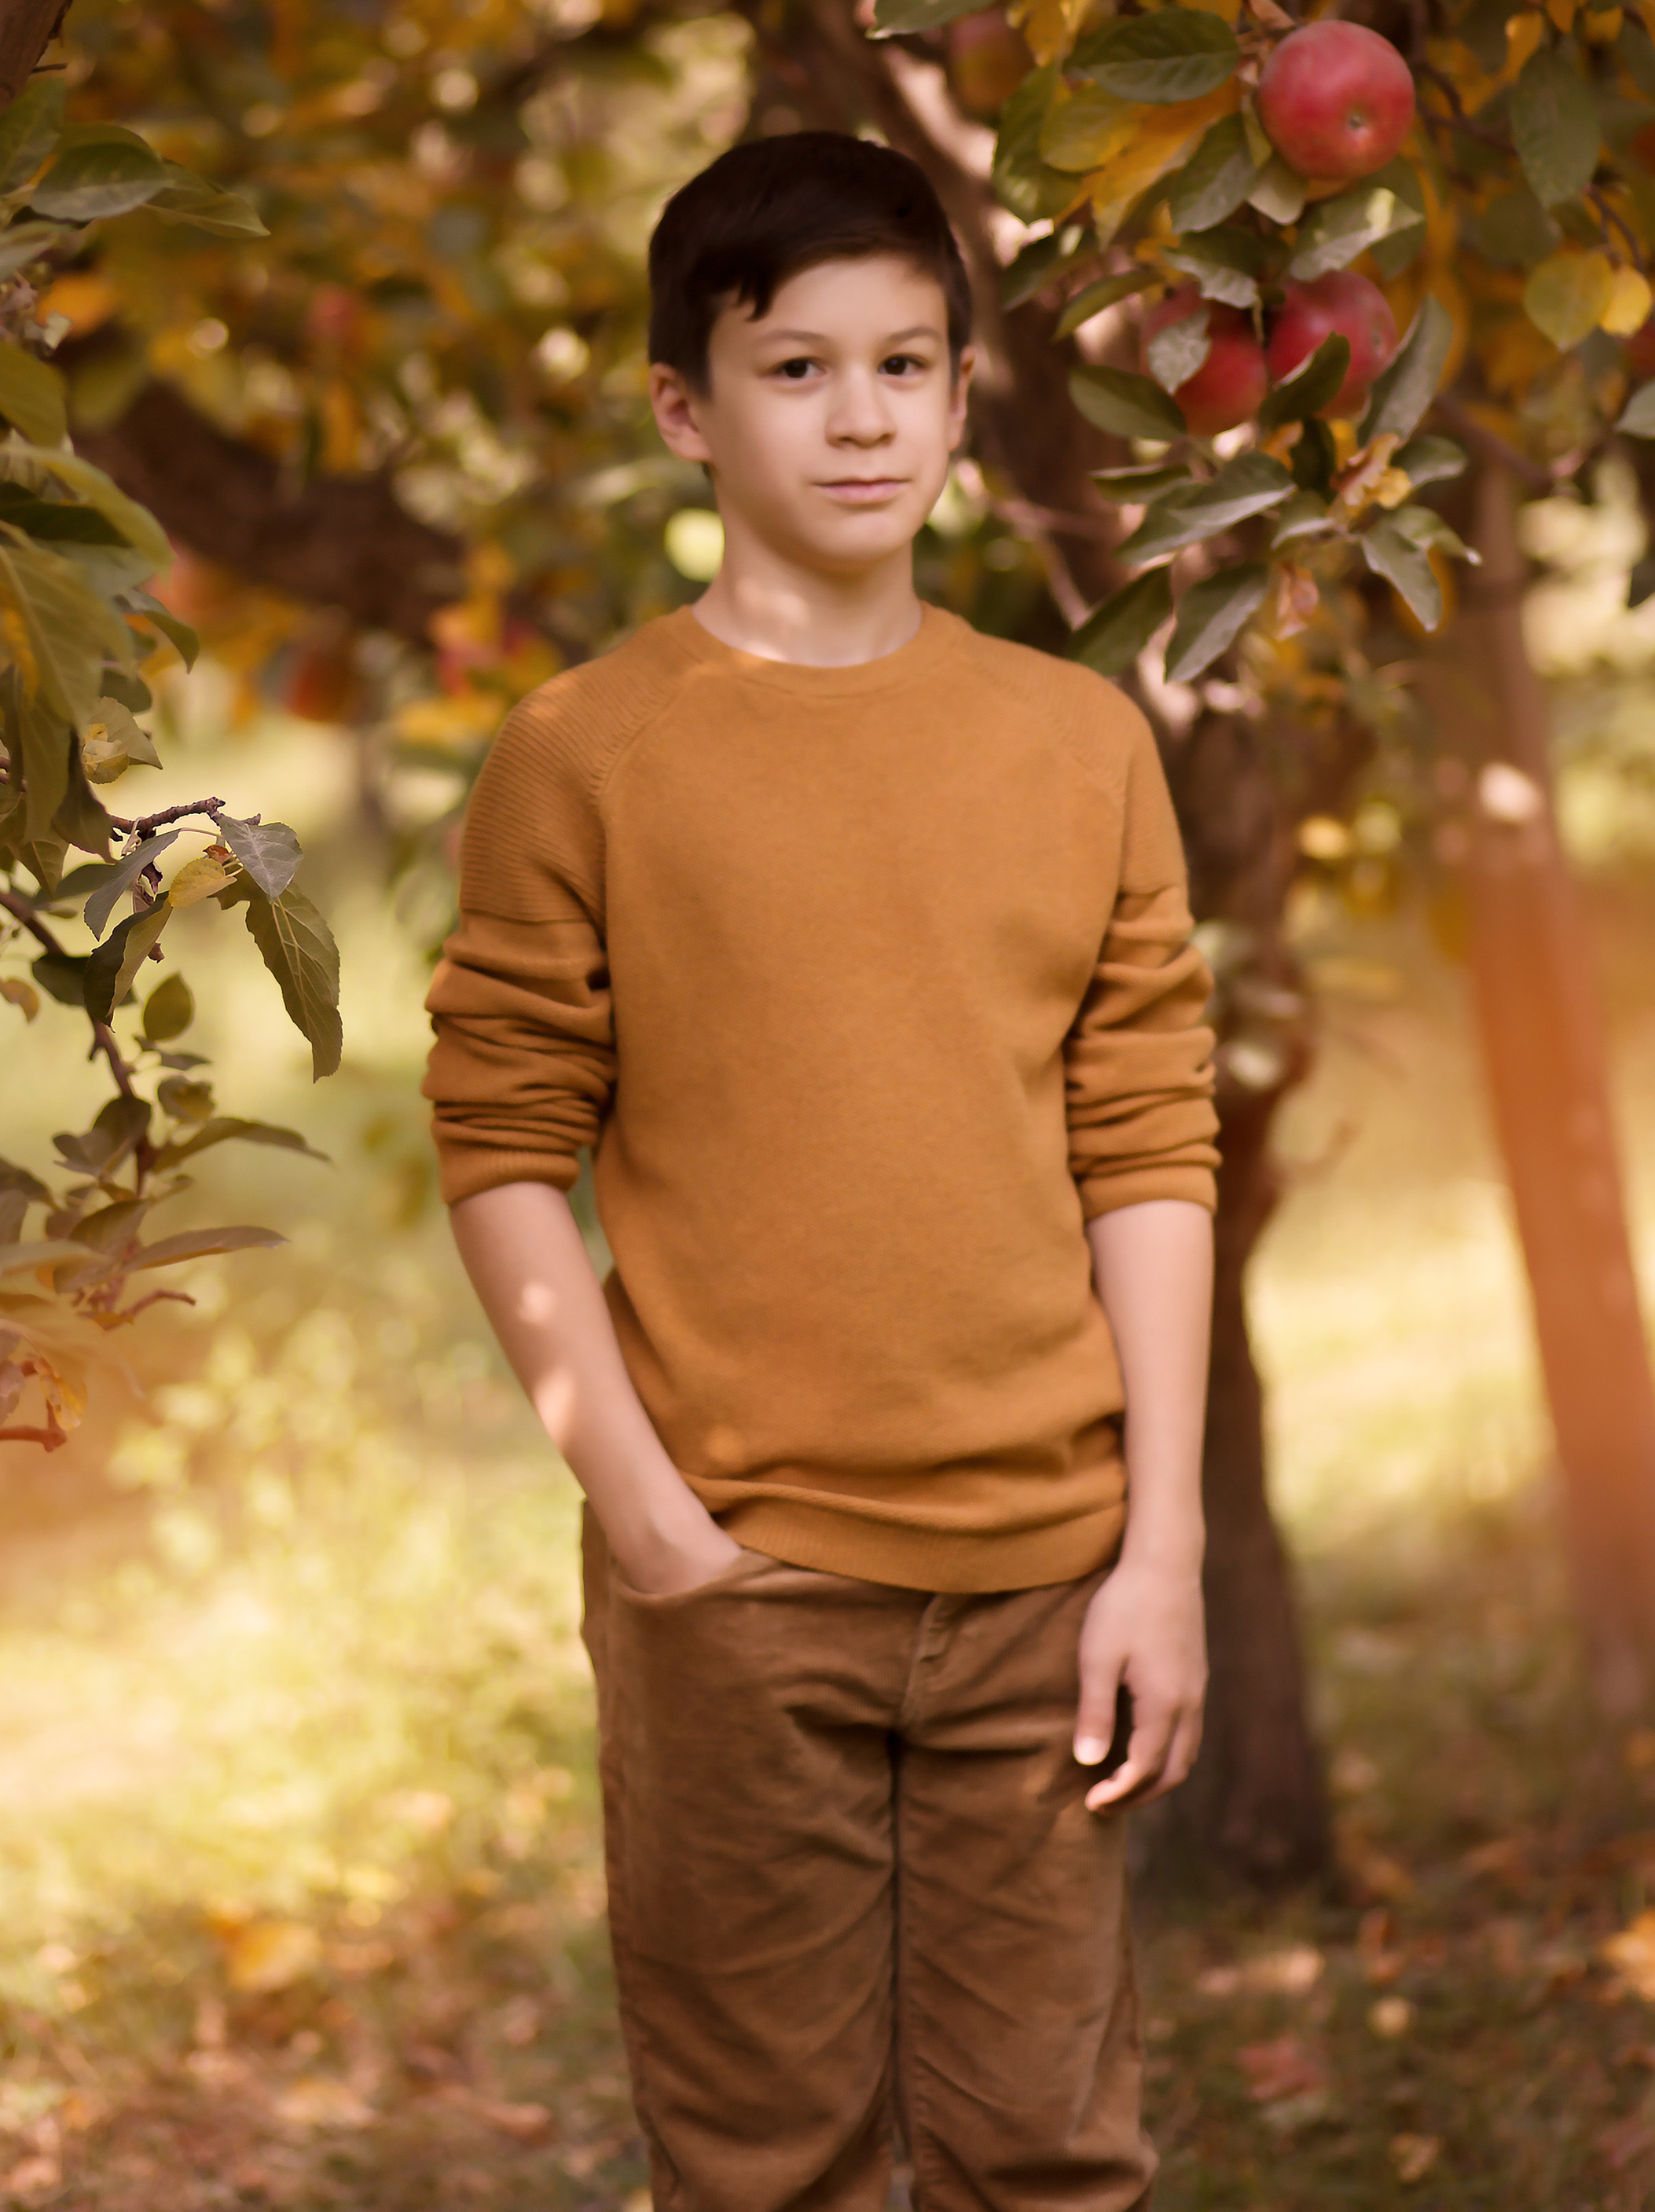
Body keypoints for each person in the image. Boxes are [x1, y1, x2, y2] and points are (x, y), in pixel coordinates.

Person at [423, 129, 1217, 2210]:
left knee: (1053, 2154)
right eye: (796, 369)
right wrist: (660, 1532)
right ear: (687, 407)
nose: (860, 415)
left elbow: (1148, 1140)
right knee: (772, 2166)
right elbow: (503, 1146)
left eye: (907, 365)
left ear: (966, 397)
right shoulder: (585, 751)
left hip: (1050, 1577)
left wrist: (1163, 1549)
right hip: (739, 1589)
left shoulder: (1076, 743)